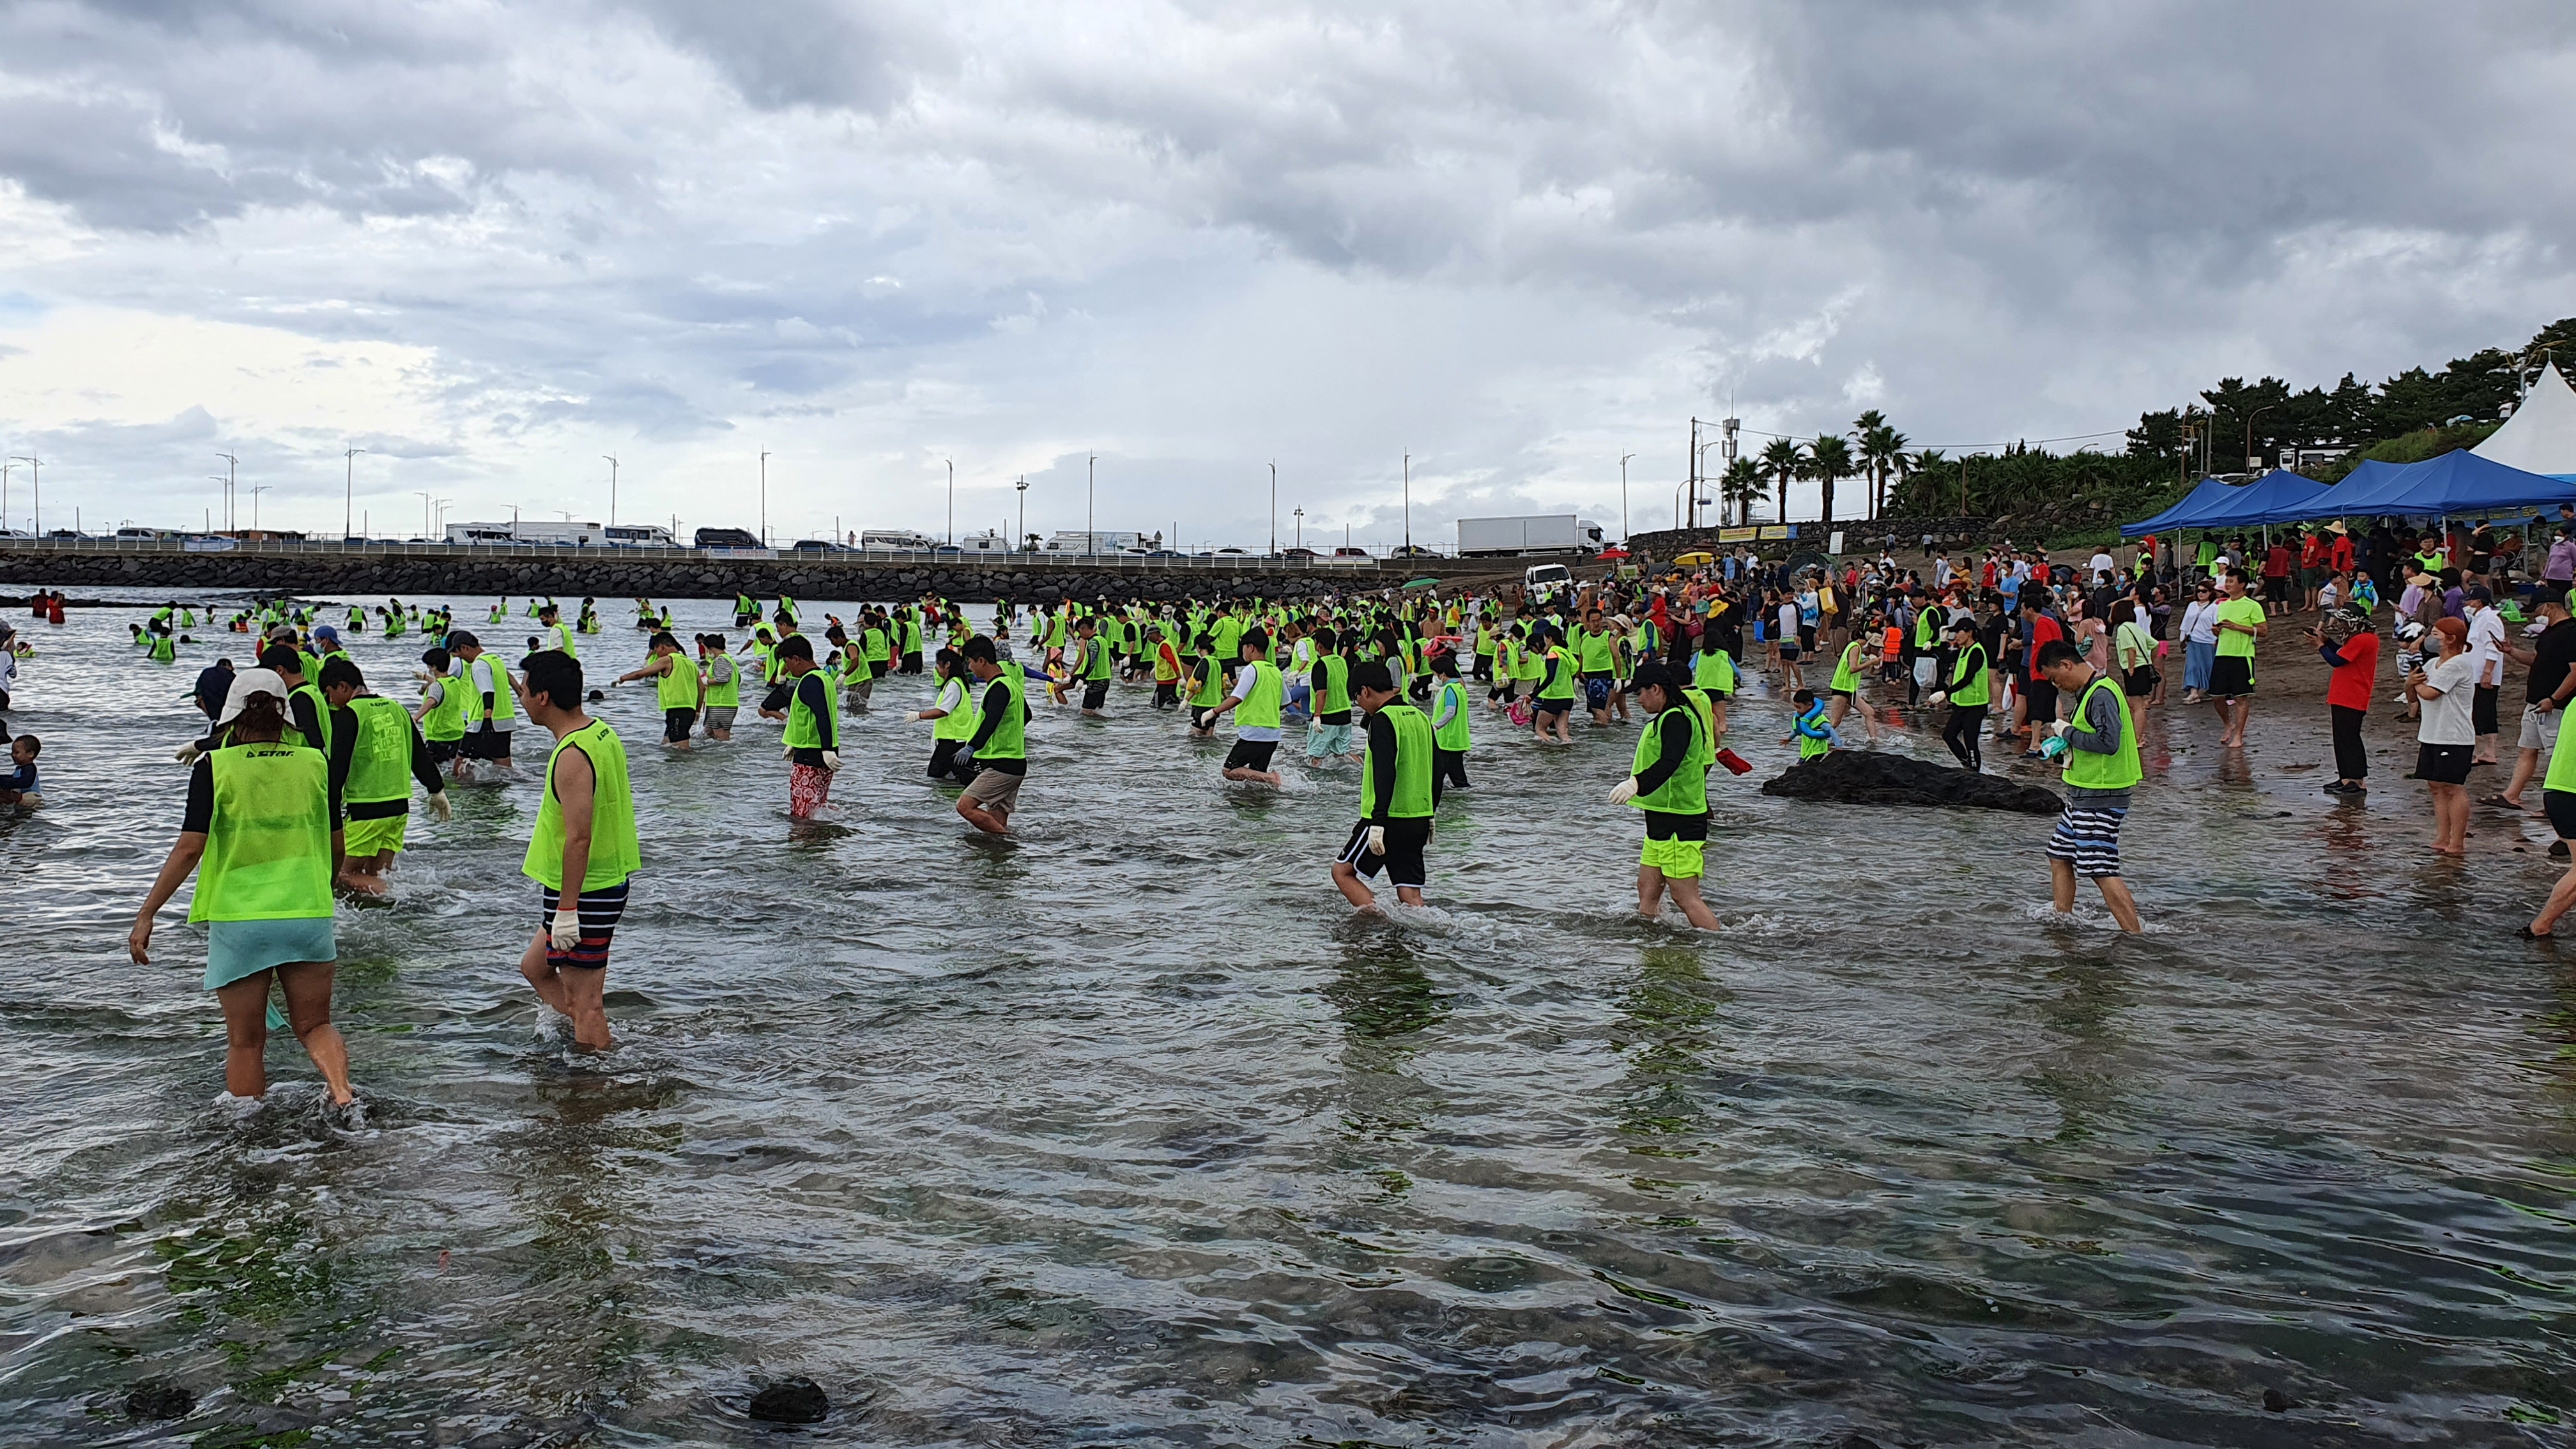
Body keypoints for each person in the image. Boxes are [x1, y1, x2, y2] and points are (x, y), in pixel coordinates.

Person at [128, 671, 355, 1105]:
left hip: (241, 918)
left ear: (231, 715)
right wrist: (322, 889)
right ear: (285, 714)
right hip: (306, 912)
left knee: (246, 1042)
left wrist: (147, 913)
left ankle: (248, 1134)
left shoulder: (214, 767)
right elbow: (338, 844)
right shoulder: (315, 764)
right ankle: (342, 1091)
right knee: (315, 1025)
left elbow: (190, 848)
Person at [2032, 639, 2144, 932]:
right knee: (2059, 855)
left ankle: (2135, 935)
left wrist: (2068, 732)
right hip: (2083, 794)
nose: (2058, 686)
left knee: (2100, 868)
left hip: (2101, 795)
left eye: (2056, 678)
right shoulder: (2090, 692)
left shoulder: (2101, 693)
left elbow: (2109, 743)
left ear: (2067, 665)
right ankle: (2062, 920)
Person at [320, 656, 452, 893]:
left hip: (365, 810)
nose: (331, 701)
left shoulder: (349, 714)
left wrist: (328, 808)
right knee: (377, 873)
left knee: (342, 875)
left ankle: (404, 896)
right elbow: (419, 756)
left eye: (330, 693)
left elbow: (337, 769)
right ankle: (391, 906)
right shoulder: (398, 709)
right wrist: (437, 790)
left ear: (343, 687)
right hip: (399, 808)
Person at [1607, 663, 1717, 930]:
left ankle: (1719, 947)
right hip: (1659, 820)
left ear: (1656, 689)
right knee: (1646, 890)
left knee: (1685, 896)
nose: (1639, 700)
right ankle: (1651, 944)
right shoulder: (1667, 716)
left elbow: (1671, 761)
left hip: (1680, 819)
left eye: (1640, 694)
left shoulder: (1677, 718)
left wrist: (1637, 784)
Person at [1331, 663, 1435, 911]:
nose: (1360, 705)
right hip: (1418, 819)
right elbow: (1437, 768)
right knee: (1409, 891)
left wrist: (1377, 821)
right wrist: (1431, 813)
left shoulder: (1383, 720)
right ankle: (1416, 935)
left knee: (1342, 872)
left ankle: (1381, 920)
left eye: (1357, 699)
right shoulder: (1421, 717)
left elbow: (1384, 772)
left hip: (1385, 820)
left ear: (1365, 691)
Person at [2492, 592, 2576, 816]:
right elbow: (2536, 661)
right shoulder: (2549, 632)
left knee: (2556, 756)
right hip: (2536, 703)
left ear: (2549, 606)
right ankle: (2512, 795)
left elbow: (2575, 672)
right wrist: (2510, 652)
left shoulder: (2570, 633)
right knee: (2527, 750)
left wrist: (2555, 699)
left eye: (2538, 609)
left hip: (2556, 706)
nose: (2536, 614)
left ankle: (2557, 804)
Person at [2407, 616, 2476, 857]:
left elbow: (2428, 693)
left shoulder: (2459, 664)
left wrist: (2413, 685)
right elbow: (2413, 693)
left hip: (2454, 736)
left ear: (2450, 639)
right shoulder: (2433, 664)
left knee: (2452, 786)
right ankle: (2442, 836)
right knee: (2435, 786)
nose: (2430, 639)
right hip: (2431, 733)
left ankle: (2457, 841)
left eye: (2436, 635)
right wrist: (2410, 684)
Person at [958, 634, 1029, 835]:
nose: (970, 668)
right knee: (994, 829)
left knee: (965, 807)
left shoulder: (998, 688)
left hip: (1002, 765)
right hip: (1014, 763)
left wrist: (972, 747)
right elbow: (1027, 715)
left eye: (970, 662)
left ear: (981, 661)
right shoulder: (1011, 685)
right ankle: (1003, 853)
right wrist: (1009, 731)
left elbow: (990, 721)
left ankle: (1013, 841)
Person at [763, 635, 841, 820]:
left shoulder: (810, 682)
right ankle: (820, 844)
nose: (787, 668)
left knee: (802, 814)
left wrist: (827, 749)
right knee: (817, 807)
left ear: (797, 659)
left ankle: (803, 844)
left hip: (812, 753)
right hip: (818, 751)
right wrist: (796, 744)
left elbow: (822, 715)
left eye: (787, 662)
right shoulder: (824, 677)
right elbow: (811, 718)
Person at [1204, 629, 1287, 785]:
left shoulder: (1251, 669)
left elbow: (1236, 698)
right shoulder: (1276, 671)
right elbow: (1285, 702)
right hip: (1273, 735)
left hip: (1254, 734)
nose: (1242, 652)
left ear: (1251, 647)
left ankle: (1272, 778)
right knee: (1257, 781)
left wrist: (1213, 712)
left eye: (1243, 647)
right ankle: (1258, 805)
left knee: (1229, 770)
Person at [2312, 608, 2380, 797]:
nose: (2341, 626)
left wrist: (2320, 646)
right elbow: (2342, 653)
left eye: (2344, 622)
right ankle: (2346, 778)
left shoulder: (2363, 639)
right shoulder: (2362, 639)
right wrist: (2326, 642)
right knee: (2342, 738)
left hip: (2353, 694)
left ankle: (2357, 780)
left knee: (2349, 738)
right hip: (2345, 694)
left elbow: (2337, 660)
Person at [613, 631, 700, 749]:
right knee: (666, 744)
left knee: (681, 750)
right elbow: (702, 688)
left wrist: (622, 678)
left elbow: (642, 673)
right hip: (686, 710)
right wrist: (698, 712)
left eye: (656, 649)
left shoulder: (668, 660)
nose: (656, 653)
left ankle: (693, 767)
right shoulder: (691, 663)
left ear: (662, 646)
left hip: (678, 710)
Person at [908, 647, 983, 785]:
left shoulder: (954, 684)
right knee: (956, 777)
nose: (936, 668)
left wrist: (919, 715)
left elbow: (943, 711)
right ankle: (952, 801)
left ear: (947, 664)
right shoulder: (959, 682)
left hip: (952, 740)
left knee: (935, 776)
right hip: (959, 739)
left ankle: (945, 803)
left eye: (937, 664)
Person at [2208, 571, 2265, 748]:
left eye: (2231, 581)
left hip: (2242, 655)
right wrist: (2217, 632)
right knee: (2216, 696)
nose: (2228, 584)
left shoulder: (2252, 605)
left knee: (2241, 697)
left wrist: (2236, 627)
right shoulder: (2222, 605)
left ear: (2242, 584)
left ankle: (2238, 735)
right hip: (2222, 653)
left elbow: (2263, 630)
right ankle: (2228, 724)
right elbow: (2221, 629)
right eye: (2227, 581)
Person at [448, 631, 517, 776]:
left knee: (460, 769)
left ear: (465, 648)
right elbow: (511, 679)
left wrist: (486, 720)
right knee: (504, 771)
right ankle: (498, 797)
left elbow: (488, 692)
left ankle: (460, 797)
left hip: (482, 724)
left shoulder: (479, 664)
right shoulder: (495, 659)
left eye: (459, 654)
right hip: (504, 724)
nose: (462, 659)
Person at [1928, 616, 1990, 770]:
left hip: (1975, 705)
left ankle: (1975, 773)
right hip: (1961, 703)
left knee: (1971, 741)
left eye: (1958, 632)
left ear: (1969, 632)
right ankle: (1967, 765)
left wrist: (1945, 693)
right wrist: (1941, 643)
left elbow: (1967, 679)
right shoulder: (1963, 650)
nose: (1955, 636)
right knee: (1949, 735)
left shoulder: (1977, 652)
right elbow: (1944, 659)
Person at [2462, 585, 2506, 765]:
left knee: (2485, 711)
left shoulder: (2489, 619)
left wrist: (2488, 672)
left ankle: (2489, 751)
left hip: (2483, 675)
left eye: (2469, 600)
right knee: (2477, 712)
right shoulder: (2479, 619)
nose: (2467, 604)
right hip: (2475, 674)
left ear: (2478, 602)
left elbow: (2493, 647)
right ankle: (2482, 751)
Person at [1427, 648, 1471, 798]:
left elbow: (1451, 711)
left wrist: (1435, 726)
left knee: (1441, 778)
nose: (1434, 677)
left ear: (1443, 674)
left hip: (1447, 741)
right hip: (1454, 741)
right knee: (1455, 778)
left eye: (1435, 674)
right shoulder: (1458, 688)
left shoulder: (1450, 689)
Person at [0, 733, 40, 808]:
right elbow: (14, 779)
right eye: (12, 752)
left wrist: (4, 782)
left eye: (17, 752)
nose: (13, 755)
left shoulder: (30, 768)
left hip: (30, 797)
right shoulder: (21, 768)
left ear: (30, 754)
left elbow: (25, 782)